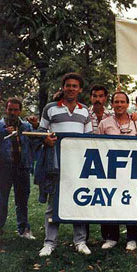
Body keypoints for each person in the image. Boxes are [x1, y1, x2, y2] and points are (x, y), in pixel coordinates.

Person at [37, 72, 93, 257]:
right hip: (55, 162)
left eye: (74, 86)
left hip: (77, 164)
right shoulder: (50, 108)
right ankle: (49, 242)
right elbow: (41, 131)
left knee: (79, 201)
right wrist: (46, 140)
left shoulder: (85, 110)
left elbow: (90, 138)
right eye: (68, 85)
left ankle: (80, 241)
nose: (71, 88)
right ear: (63, 87)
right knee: (54, 202)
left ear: (80, 89)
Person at [98, 91, 137, 251]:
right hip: (110, 170)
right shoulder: (104, 123)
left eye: (122, 102)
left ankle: (132, 237)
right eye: (116, 102)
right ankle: (111, 237)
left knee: (130, 201)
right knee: (110, 201)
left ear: (127, 104)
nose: (119, 105)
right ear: (112, 104)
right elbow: (98, 146)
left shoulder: (135, 123)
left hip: (131, 170)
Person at [0, 98, 37, 240]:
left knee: (22, 200)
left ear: (20, 111)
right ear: (6, 109)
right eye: (10, 109)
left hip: (22, 167)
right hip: (4, 168)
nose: (13, 112)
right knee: (1, 199)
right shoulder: (0, 126)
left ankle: (24, 229)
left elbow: (36, 142)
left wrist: (36, 126)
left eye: (16, 110)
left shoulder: (26, 126)